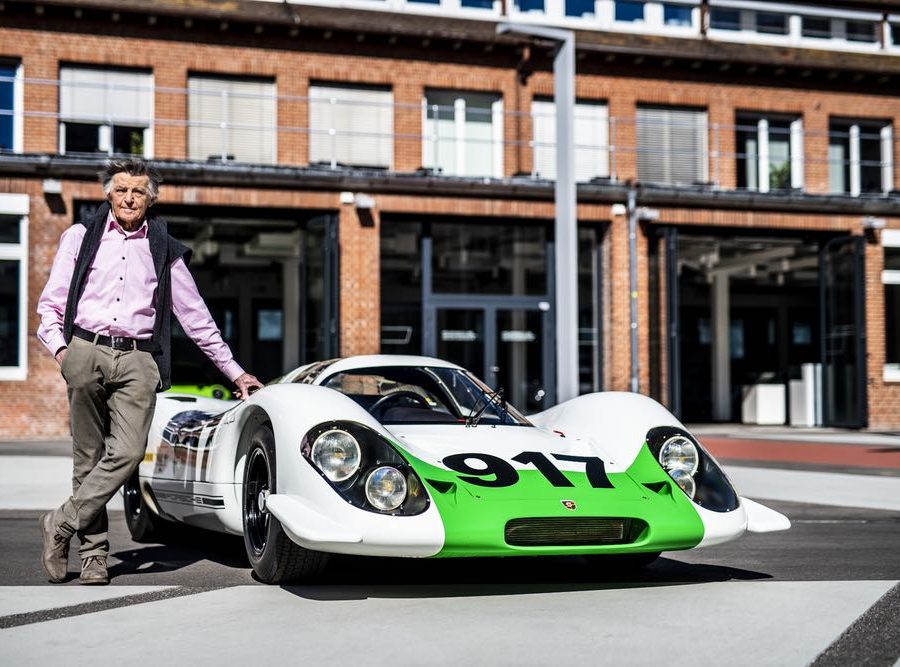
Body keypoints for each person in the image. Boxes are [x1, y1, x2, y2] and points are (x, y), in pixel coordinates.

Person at [36, 158, 261, 585]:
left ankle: (60, 523)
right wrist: (64, 352)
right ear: (108, 193)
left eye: (138, 191)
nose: (129, 198)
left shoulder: (164, 248)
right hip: (86, 348)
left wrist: (235, 372)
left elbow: (196, 318)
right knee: (88, 457)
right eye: (121, 189)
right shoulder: (80, 236)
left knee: (128, 454)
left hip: (140, 358)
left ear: (150, 199)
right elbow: (51, 301)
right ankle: (94, 557)